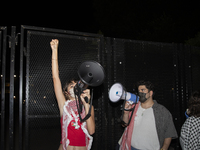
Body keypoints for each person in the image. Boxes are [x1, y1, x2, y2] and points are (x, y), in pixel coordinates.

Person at [50, 39, 95, 150]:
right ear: (66, 92)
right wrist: (54, 50)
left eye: (76, 85)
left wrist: (86, 104)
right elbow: (55, 78)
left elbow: (92, 131)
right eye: (71, 85)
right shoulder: (63, 104)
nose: (75, 87)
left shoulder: (88, 106)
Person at [119, 80, 178, 150]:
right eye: (139, 91)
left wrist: (164, 148)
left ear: (150, 93)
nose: (140, 93)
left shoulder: (162, 111)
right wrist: (126, 112)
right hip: (131, 147)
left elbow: (169, 133)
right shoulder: (133, 107)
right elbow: (124, 124)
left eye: (143, 90)